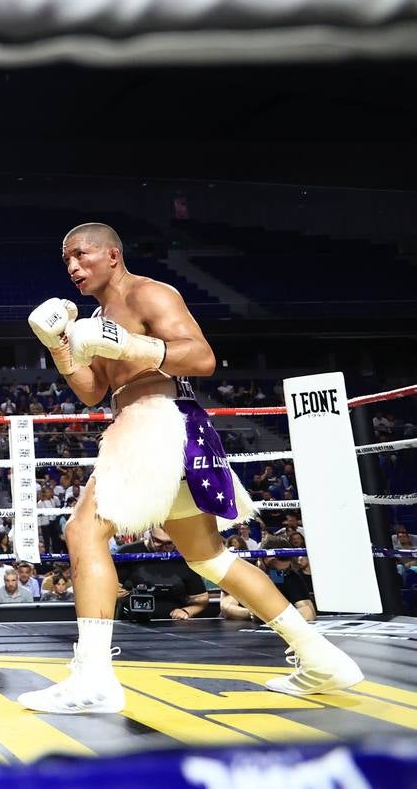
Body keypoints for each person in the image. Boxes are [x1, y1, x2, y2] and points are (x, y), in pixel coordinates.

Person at [19, 223, 360, 714]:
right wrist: (58, 346)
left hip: (158, 420)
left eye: (81, 254)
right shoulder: (98, 316)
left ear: (112, 254)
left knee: (82, 532)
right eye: (66, 259)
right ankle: (322, 659)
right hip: (158, 424)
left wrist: (130, 344)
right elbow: (94, 391)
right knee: (209, 559)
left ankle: (93, 678)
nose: (72, 266)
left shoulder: (150, 293)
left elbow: (201, 357)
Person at [116, 527, 210, 621]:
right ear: (149, 535)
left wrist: (186, 611)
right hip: (132, 621)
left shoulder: (184, 558)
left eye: (169, 543)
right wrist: (128, 595)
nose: (164, 547)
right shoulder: (126, 553)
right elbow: (112, 591)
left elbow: (201, 598)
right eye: (158, 541)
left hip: (172, 623)